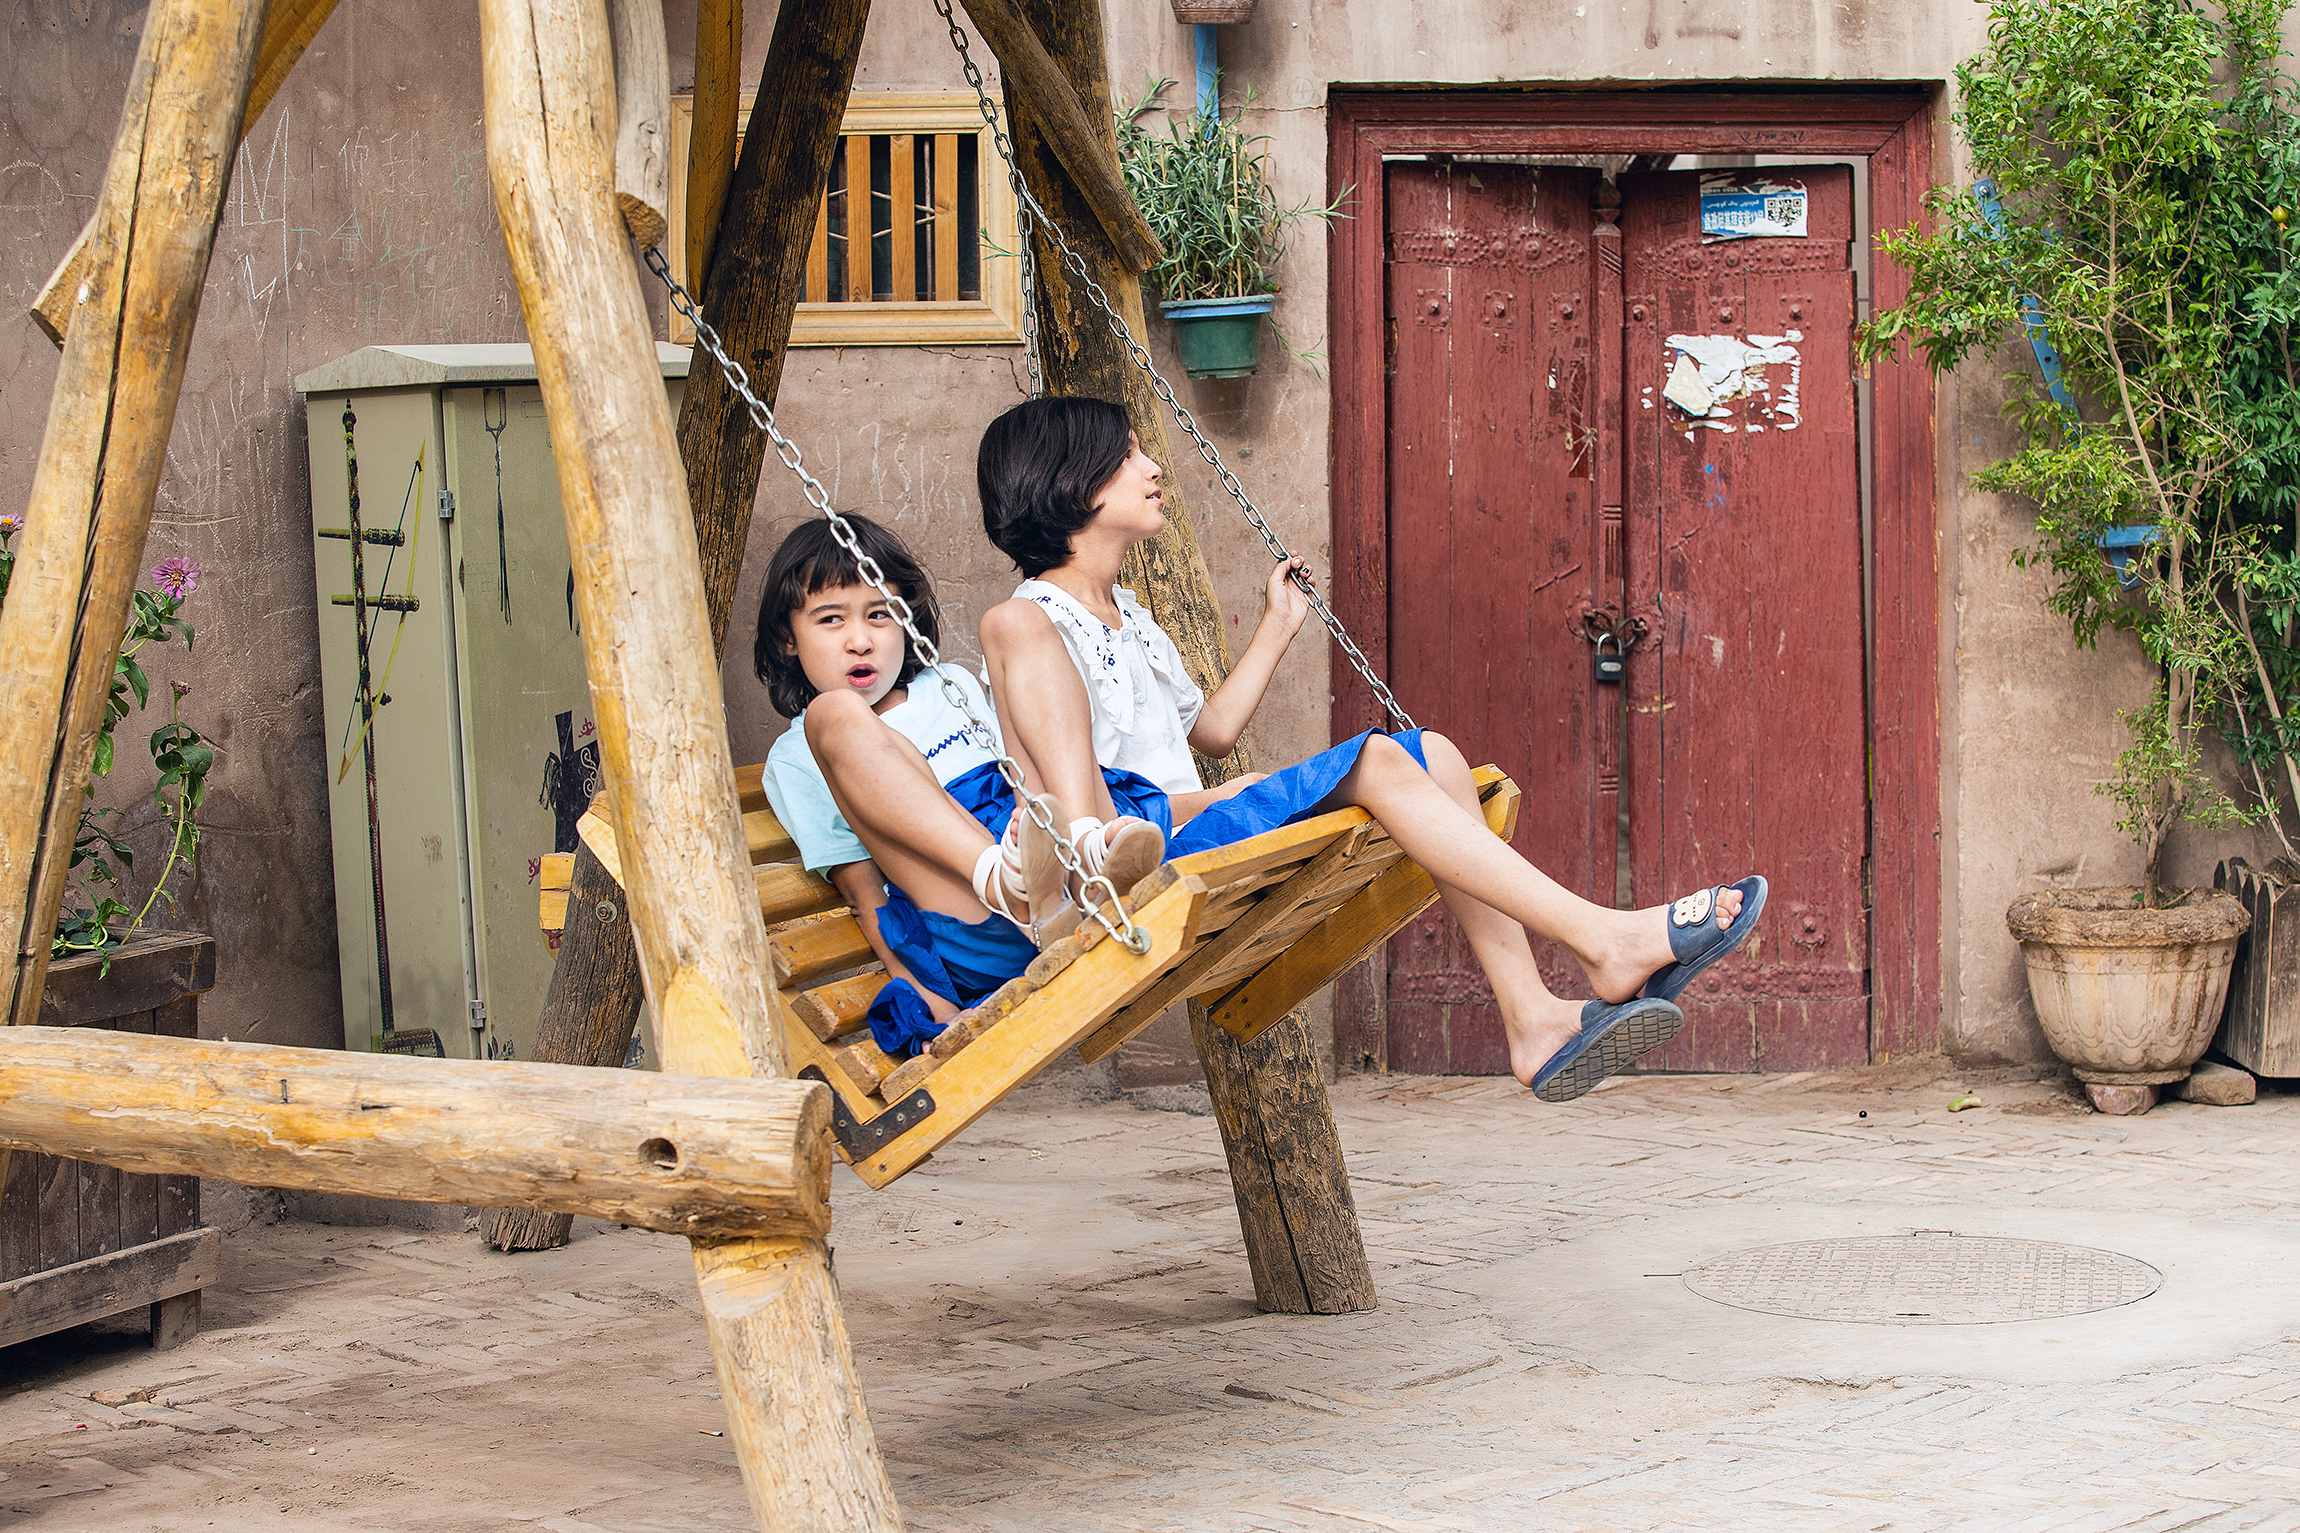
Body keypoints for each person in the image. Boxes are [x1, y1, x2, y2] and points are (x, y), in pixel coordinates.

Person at [972, 397, 1767, 1102]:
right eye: (1128, 455)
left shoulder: (1128, 615)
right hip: (1141, 865)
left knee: (1435, 755)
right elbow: (1092, 817)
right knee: (1381, 761)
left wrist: (1279, 623)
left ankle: (1531, 1016)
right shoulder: (1030, 622)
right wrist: (1214, 797)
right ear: (1074, 484)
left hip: (1194, 829)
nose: (1152, 468)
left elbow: (1207, 732)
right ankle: (1604, 939)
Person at [753, 513, 1165, 1059]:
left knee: (1013, 619)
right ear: (787, 638)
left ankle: (1085, 845)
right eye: (831, 620)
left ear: (906, 620)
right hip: (975, 914)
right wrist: (939, 1007)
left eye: (879, 614)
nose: (860, 641)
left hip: (1060, 869)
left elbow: (1027, 772)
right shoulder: (804, 752)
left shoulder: (950, 685)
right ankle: (1003, 881)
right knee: (835, 712)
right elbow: (863, 894)